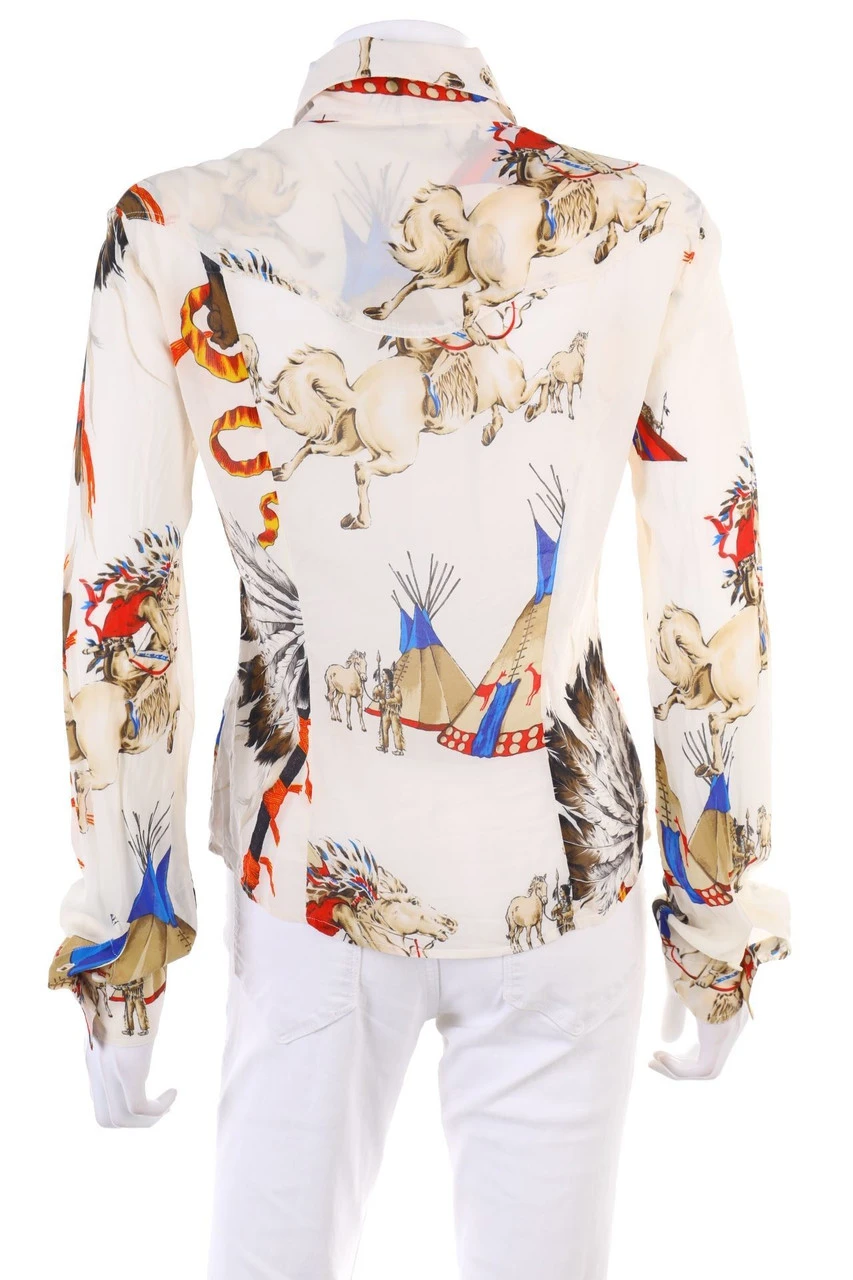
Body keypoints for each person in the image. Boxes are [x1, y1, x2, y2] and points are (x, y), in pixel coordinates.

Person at [49, 19, 789, 1278]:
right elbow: (715, 577)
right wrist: (714, 926)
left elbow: (123, 603)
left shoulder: (171, 230)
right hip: (566, 879)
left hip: (308, 886)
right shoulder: (648, 225)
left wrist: (125, 952)